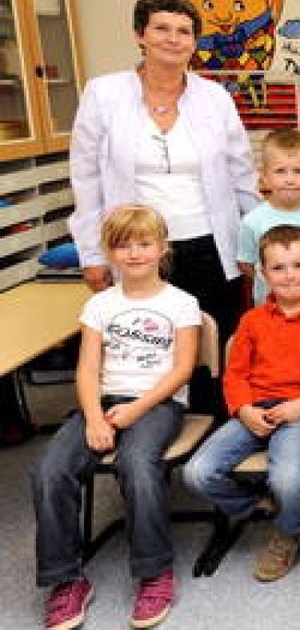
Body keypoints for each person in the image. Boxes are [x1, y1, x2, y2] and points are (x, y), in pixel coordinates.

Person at [33, 205, 200, 630]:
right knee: (49, 470)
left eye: (144, 244)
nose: (135, 253)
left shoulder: (182, 303)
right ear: (109, 252)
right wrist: (94, 417)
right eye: (123, 245)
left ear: (163, 248)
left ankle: (153, 572)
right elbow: (87, 369)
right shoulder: (99, 306)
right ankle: (66, 580)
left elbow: (182, 370)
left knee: (137, 466)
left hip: (158, 404)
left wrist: (136, 409)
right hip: (102, 400)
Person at [68, 0, 259, 342]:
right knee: (148, 350)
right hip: (137, 249)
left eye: (184, 31)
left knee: (214, 350)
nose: (173, 39)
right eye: (161, 28)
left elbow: (242, 176)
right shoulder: (103, 94)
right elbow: (86, 179)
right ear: (140, 35)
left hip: (210, 247)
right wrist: (92, 254)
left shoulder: (215, 98)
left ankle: (212, 402)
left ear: (194, 42)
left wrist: (254, 243)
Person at [183, 225, 300, 582]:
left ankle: (290, 531)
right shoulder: (252, 321)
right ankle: (263, 506)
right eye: (278, 268)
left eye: (298, 265)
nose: (290, 276)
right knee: (197, 473)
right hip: (252, 410)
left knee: (287, 476)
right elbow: (235, 374)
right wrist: (243, 410)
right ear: (262, 273)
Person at [237, 129, 300, 309]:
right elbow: (246, 265)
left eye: (298, 171)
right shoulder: (252, 222)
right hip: (272, 310)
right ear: (264, 176)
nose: (289, 180)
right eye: (280, 171)